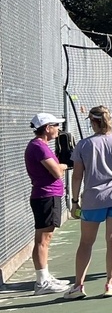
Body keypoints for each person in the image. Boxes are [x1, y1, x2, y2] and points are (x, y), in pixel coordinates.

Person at [66, 105, 112, 299]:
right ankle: (111, 283)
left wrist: (74, 202)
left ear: (93, 122)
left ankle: (78, 286)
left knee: (85, 242)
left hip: (93, 199)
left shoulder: (83, 145)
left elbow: (76, 176)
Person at [25, 113, 71, 295]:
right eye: (55, 126)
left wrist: (61, 164)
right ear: (47, 128)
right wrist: (66, 164)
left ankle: (44, 277)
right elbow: (56, 172)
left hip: (46, 196)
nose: (58, 129)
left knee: (45, 239)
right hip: (46, 196)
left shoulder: (40, 146)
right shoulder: (39, 147)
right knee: (43, 240)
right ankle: (42, 283)